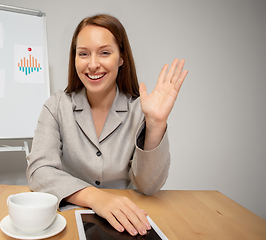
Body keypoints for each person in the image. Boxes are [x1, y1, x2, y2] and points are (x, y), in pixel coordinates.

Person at [26, 14, 188, 236]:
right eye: (83, 54)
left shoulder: (141, 109)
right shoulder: (56, 105)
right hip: (69, 217)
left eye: (104, 53)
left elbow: (148, 186)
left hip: (126, 221)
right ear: (74, 59)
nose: (93, 65)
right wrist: (96, 197)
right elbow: (39, 171)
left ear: (121, 57)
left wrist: (156, 124)